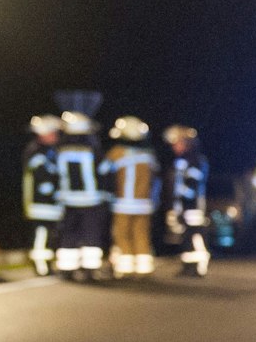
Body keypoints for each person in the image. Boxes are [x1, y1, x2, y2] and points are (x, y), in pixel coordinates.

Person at [53, 112, 110, 279]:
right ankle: (90, 270)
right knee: (91, 235)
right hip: (91, 200)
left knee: (69, 234)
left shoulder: (60, 149)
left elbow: (55, 174)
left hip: (68, 200)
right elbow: (105, 170)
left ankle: (67, 269)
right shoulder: (93, 149)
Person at [103, 116, 158, 277]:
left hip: (122, 203)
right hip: (144, 204)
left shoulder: (116, 153)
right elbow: (156, 179)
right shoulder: (149, 156)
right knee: (141, 234)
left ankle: (125, 267)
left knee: (122, 234)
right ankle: (144, 268)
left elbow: (103, 172)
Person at [161, 125, 211, 276]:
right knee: (186, 237)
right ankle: (188, 266)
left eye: (178, 143)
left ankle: (198, 267)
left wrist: (182, 199)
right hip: (183, 206)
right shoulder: (182, 160)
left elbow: (191, 185)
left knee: (195, 235)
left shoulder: (195, 160)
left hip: (193, 206)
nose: (175, 147)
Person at [22, 114, 64, 276]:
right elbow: (42, 177)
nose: (56, 136)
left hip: (51, 203)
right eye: (53, 132)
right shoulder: (36, 151)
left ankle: (46, 263)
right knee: (41, 232)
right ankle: (40, 264)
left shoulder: (51, 151)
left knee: (50, 233)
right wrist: (51, 190)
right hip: (40, 202)